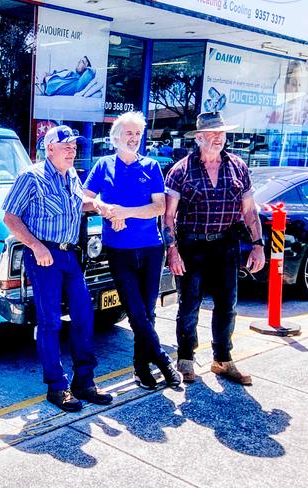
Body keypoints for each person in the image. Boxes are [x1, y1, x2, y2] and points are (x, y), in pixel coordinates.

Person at [2, 125, 113, 412]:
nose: (72, 150)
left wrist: (98, 205)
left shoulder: (71, 175)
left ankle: (84, 382)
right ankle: (57, 387)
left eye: (74, 146)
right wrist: (36, 247)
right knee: (50, 322)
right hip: (43, 257)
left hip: (69, 256)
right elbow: (11, 218)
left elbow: (79, 203)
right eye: (66, 146)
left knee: (84, 316)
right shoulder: (31, 177)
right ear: (49, 148)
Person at [163, 112, 266, 385]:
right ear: (199, 138)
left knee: (227, 305)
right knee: (189, 305)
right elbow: (168, 216)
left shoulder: (238, 167)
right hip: (191, 245)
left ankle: (223, 360)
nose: (219, 138)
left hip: (225, 244)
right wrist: (171, 251)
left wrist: (258, 245)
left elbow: (249, 211)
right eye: (212, 133)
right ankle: (185, 359)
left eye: (222, 133)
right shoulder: (180, 171)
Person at [83, 111, 182, 390]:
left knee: (147, 312)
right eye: (129, 133)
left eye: (138, 134)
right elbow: (84, 199)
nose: (134, 138)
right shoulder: (103, 166)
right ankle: (163, 361)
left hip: (151, 248)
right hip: (119, 251)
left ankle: (141, 368)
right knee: (135, 312)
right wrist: (104, 207)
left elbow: (159, 207)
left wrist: (124, 212)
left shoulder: (150, 166)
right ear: (116, 138)